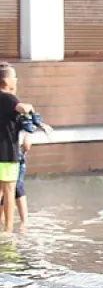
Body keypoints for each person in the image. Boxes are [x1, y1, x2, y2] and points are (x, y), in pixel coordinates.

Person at [0, 62, 42, 233]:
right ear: (7, 81)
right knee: (9, 191)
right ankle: (8, 230)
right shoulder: (9, 98)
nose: (16, 81)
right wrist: (30, 108)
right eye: (14, 78)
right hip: (7, 155)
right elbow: (22, 108)